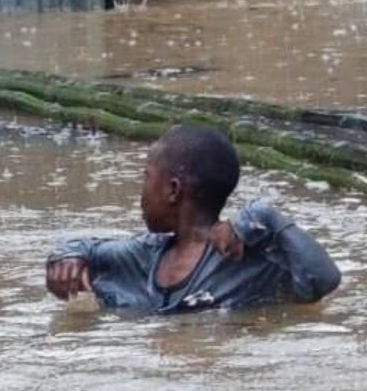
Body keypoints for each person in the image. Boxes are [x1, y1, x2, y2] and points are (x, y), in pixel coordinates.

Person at [45, 123, 341, 314]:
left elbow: (323, 280)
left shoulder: (247, 260)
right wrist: (67, 257)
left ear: (173, 190)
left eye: (146, 177)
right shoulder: (145, 253)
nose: (141, 192)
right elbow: (84, 247)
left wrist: (266, 215)